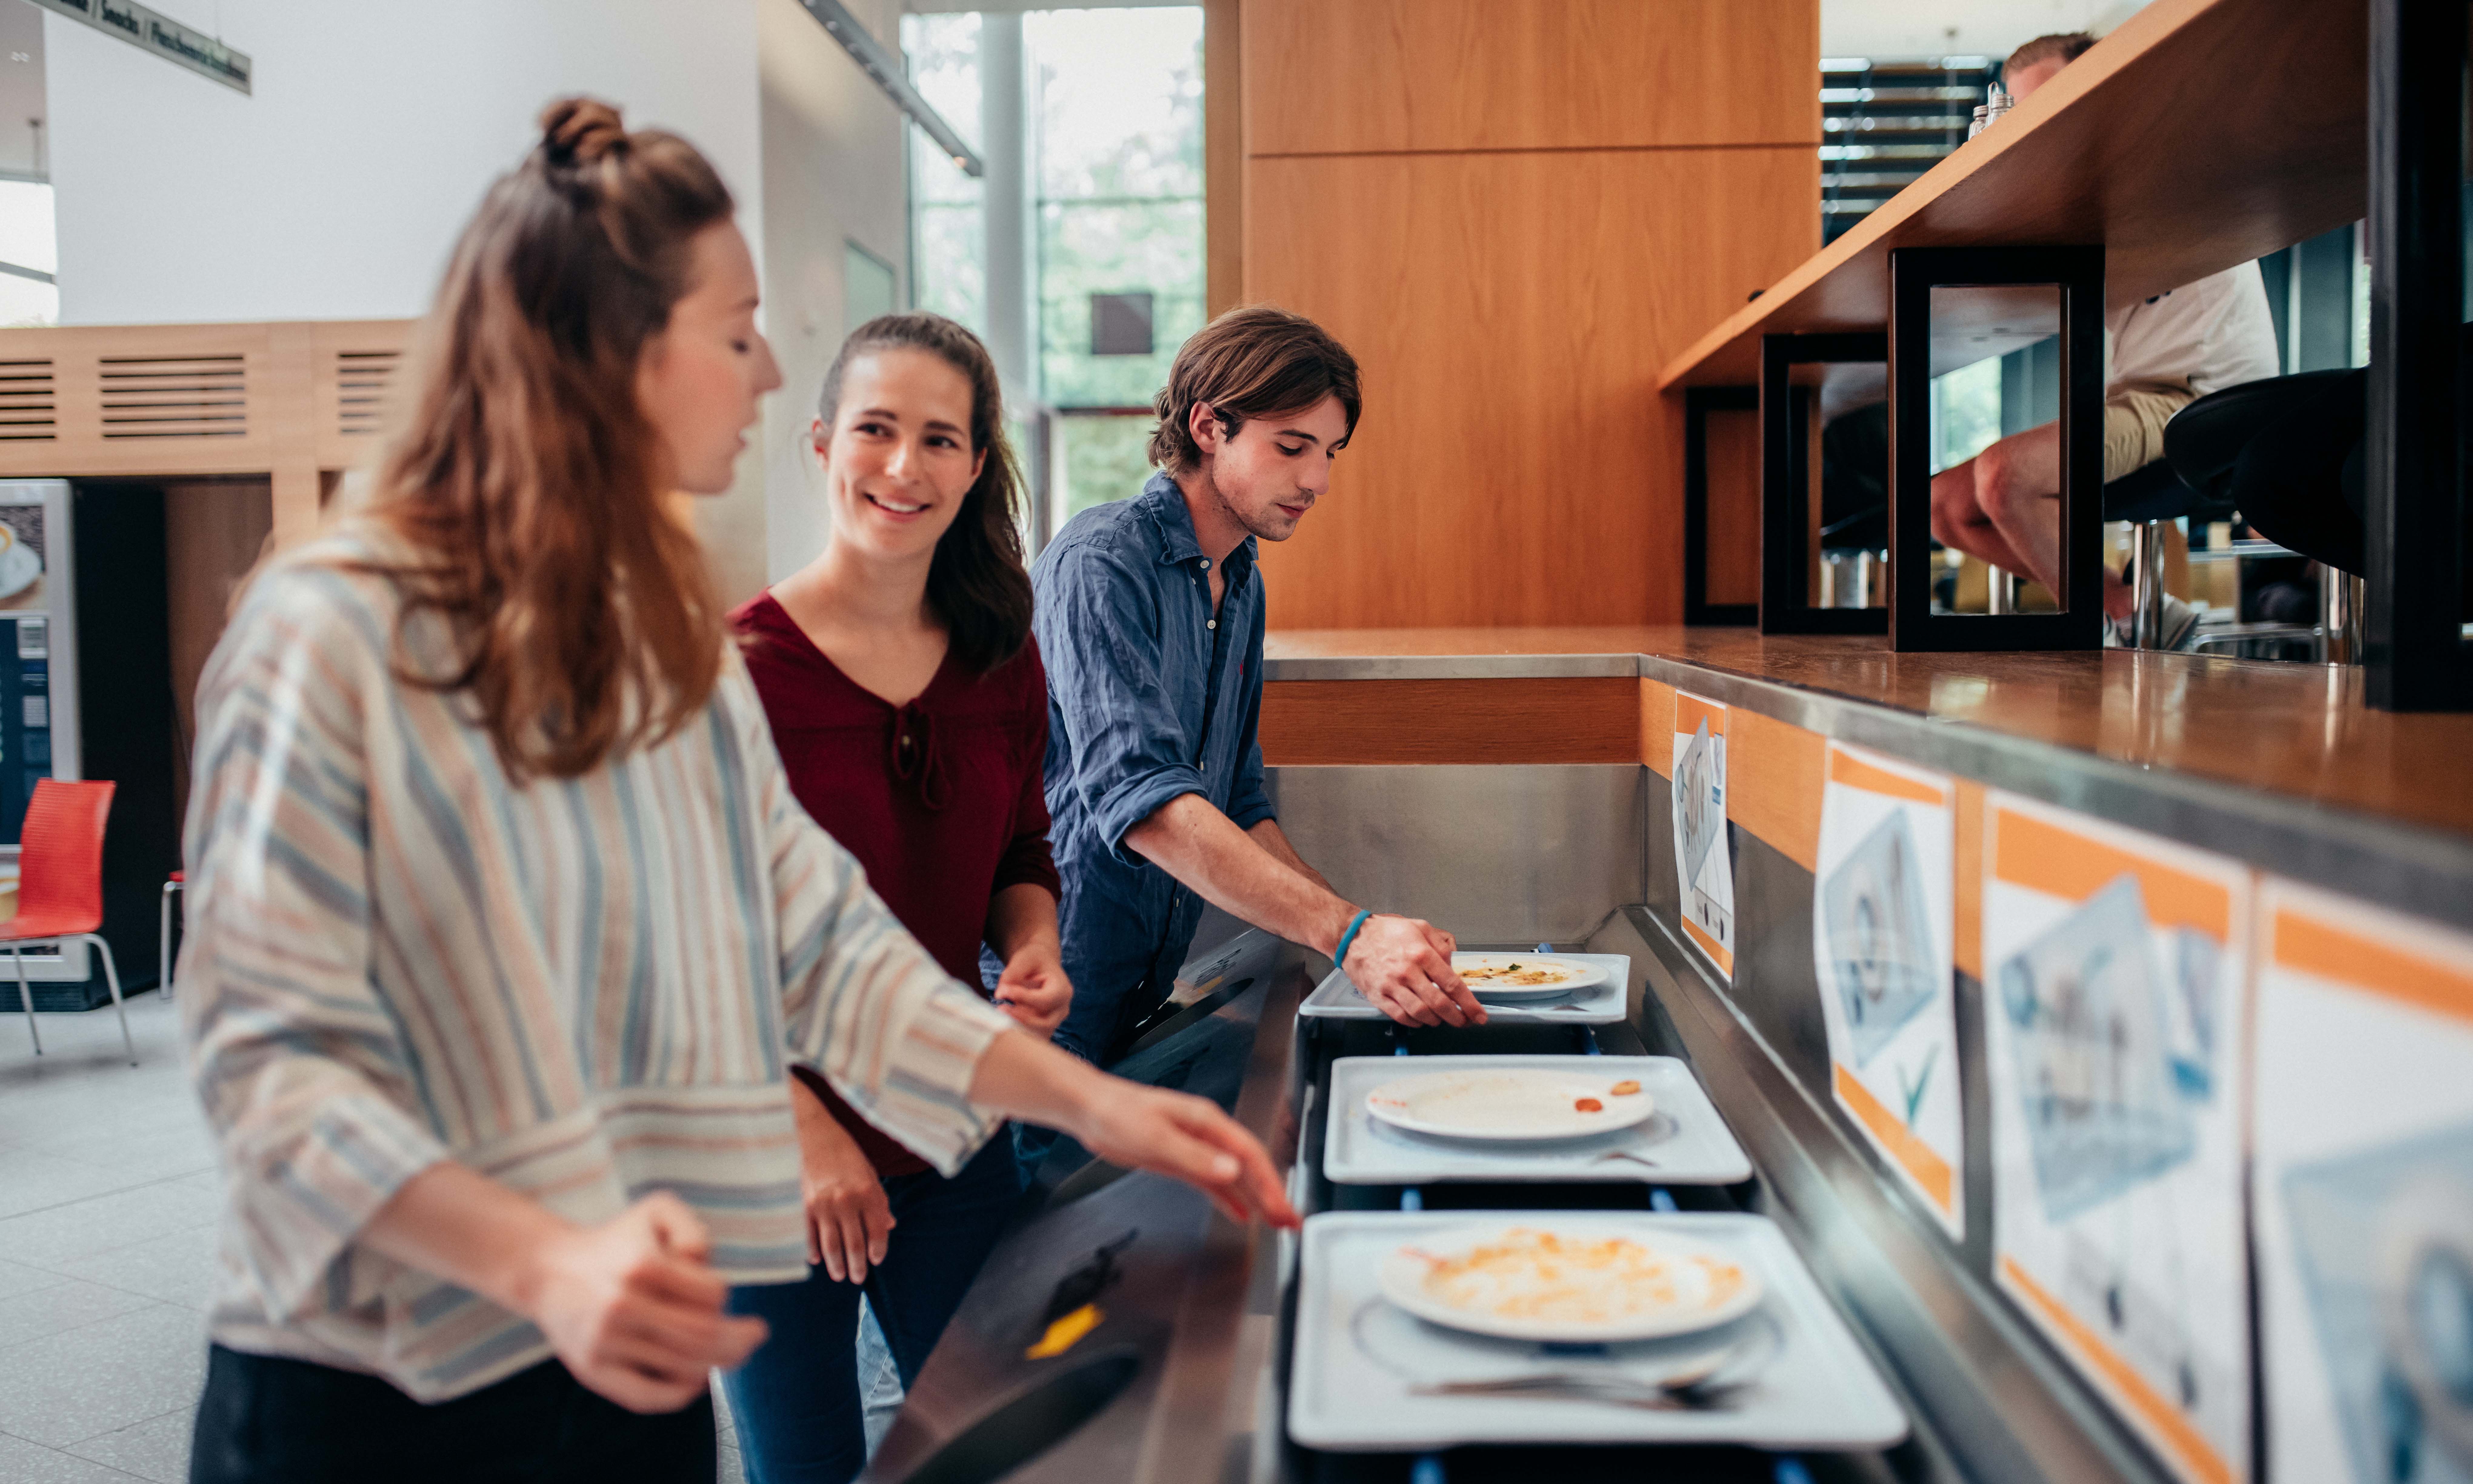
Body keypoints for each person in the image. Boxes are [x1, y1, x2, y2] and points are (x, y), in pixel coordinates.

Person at [177, 98, 1295, 1484]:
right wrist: (549, 1258)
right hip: (382, 1382)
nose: (771, 373)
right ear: (608, 346)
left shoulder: (655, 647)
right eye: (737, 328)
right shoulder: (335, 628)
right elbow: (272, 1066)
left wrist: (1103, 1108)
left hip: (627, 1333)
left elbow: (824, 950)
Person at [721, 313, 1067, 1482]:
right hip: (773, 1158)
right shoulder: (735, 676)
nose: (904, 466)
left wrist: (1033, 946)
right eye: (876, 429)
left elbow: (1023, 845)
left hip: (950, 1130)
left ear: (975, 467)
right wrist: (805, 1127)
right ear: (821, 443)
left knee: (990, 1451)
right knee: (803, 1467)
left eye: (939, 438)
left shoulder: (1001, 657)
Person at [1031, 305, 1483, 1091]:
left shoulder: (1238, 582)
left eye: (1331, 452)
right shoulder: (1099, 561)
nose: (1319, 480)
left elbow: (1235, 796)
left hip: (1130, 1000)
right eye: (1292, 447)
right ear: (1209, 427)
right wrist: (1350, 937)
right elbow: (1146, 804)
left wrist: (1369, 937)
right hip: (1037, 1011)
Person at [1928, 32, 2281, 645]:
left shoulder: (2156, 157)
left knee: (2002, 477)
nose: (2035, 130)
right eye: (2021, 116)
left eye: (2050, 107)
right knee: (1942, 504)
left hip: (2206, 398)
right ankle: (2132, 610)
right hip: (2138, 395)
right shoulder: (2079, 191)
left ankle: (2128, 621)